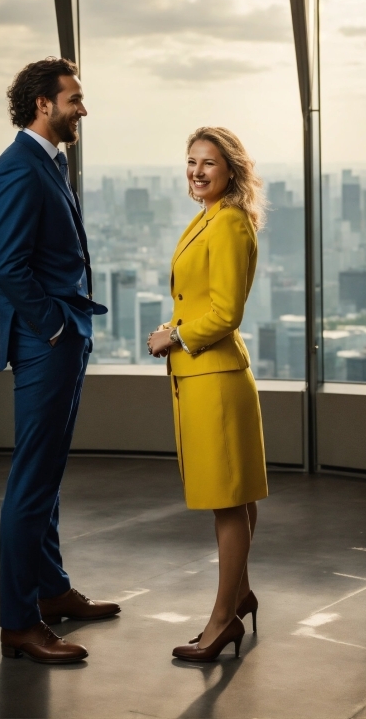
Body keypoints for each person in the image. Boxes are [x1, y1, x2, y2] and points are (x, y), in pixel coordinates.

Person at [0, 57, 120, 664]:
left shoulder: (46, 163)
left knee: (48, 474)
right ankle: (19, 622)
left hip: (58, 339)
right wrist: (57, 327)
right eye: (75, 99)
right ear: (44, 103)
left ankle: (52, 590)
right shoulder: (19, 170)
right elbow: (6, 265)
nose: (82, 109)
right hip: (47, 343)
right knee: (32, 482)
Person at [148, 126, 268, 662]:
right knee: (234, 499)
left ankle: (221, 622)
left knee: (226, 504)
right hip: (202, 377)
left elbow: (226, 312)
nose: (197, 171)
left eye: (209, 163)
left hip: (215, 379)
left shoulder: (231, 224)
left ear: (231, 171)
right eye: (191, 161)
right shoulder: (208, 218)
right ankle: (239, 595)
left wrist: (174, 335)